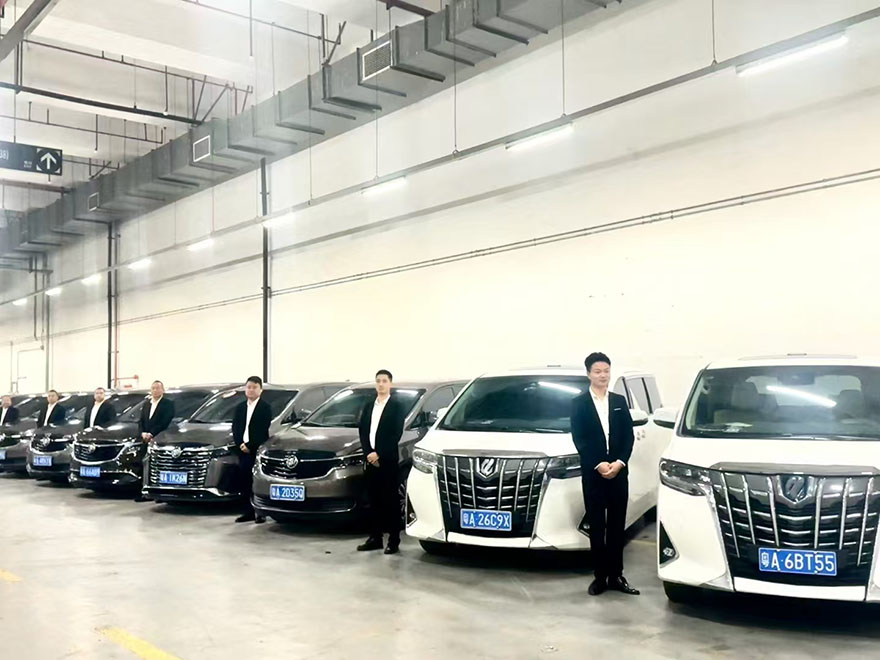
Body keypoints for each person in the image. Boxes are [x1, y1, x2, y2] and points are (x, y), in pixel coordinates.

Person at [570, 352, 639, 596]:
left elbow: (628, 436)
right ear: (589, 374)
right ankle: (600, 577)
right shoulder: (579, 403)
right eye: (598, 371)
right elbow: (580, 438)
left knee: (618, 525)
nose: (603, 375)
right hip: (594, 474)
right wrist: (598, 463)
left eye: (606, 371)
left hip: (618, 473)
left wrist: (619, 462)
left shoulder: (619, 401)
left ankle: (616, 575)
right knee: (597, 525)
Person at [357, 369, 407, 555]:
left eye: (384, 381)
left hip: (387, 460)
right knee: (373, 500)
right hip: (370, 460)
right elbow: (363, 430)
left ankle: (394, 540)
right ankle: (375, 538)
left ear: (390, 383)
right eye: (378, 381)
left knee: (390, 501)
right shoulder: (369, 405)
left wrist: (379, 453)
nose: (381, 384)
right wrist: (368, 452)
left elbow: (396, 434)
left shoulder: (397, 406)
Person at [231, 376, 272, 523]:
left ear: (260, 390)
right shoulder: (240, 407)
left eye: (254, 387)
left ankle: (260, 513)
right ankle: (247, 512)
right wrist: (240, 444)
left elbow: (263, 430)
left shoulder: (265, 407)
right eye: (248, 387)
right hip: (242, 449)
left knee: (257, 481)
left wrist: (250, 445)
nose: (251, 390)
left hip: (256, 448)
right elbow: (235, 427)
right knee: (244, 481)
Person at [135, 381, 176, 503]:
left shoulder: (168, 404)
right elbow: (141, 421)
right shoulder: (146, 404)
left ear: (163, 390)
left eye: (158, 388)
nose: (155, 390)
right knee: (144, 465)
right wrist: (142, 433)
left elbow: (165, 421)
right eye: (153, 388)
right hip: (145, 439)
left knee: (159, 466)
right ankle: (145, 492)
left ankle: (161, 493)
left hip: (160, 438)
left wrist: (152, 433)